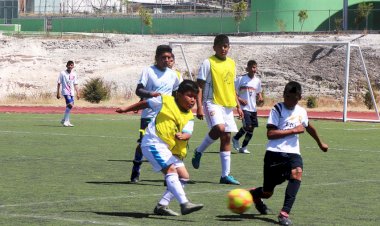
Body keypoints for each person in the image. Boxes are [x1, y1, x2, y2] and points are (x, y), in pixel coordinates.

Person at [116, 80, 204, 216]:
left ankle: (162, 205)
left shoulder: (188, 116)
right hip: (153, 142)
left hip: (168, 148)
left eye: (194, 97)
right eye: (189, 95)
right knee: (171, 170)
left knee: (184, 177)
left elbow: (188, 132)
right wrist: (126, 109)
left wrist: (184, 136)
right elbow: (146, 103)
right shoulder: (166, 101)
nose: (192, 100)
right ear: (179, 94)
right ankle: (184, 203)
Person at [249, 81, 328, 226]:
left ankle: (284, 213)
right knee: (268, 192)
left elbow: (309, 127)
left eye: (294, 98)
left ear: (299, 97)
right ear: (283, 95)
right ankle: (255, 194)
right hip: (274, 154)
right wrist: (293, 130)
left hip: (292, 154)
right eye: (287, 97)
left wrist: (320, 143)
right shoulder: (277, 109)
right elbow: (270, 133)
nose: (290, 101)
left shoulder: (301, 111)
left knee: (297, 172)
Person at [191, 34, 243, 185]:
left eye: (225, 46)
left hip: (227, 105)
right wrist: (199, 106)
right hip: (211, 102)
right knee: (220, 128)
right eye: (220, 46)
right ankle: (199, 151)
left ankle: (225, 175)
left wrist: (238, 106)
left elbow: (232, 87)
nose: (223, 49)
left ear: (229, 47)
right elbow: (199, 86)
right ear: (214, 47)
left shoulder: (232, 63)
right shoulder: (208, 62)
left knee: (226, 137)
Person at [130, 45, 180, 183]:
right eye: (163, 57)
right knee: (142, 144)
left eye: (169, 58)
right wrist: (150, 94)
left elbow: (177, 92)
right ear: (156, 58)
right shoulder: (148, 71)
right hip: (149, 115)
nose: (166, 60)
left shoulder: (173, 75)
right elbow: (139, 90)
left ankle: (169, 175)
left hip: (166, 116)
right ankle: (136, 169)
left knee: (168, 144)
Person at [232, 60, 263, 154]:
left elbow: (258, 92)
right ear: (248, 68)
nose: (254, 69)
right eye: (252, 67)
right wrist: (240, 100)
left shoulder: (257, 81)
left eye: (255, 67)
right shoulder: (241, 79)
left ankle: (244, 147)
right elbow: (232, 92)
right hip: (244, 108)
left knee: (251, 128)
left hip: (253, 108)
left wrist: (260, 97)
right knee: (248, 126)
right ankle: (235, 138)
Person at [56, 60, 80, 127]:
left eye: (71, 65)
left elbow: (75, 84)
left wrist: (78, 93)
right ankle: (65, 121)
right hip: (65, 91)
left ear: (73, 66)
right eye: (69, 65)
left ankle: (65, 120)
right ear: (66, 66)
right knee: (70, 105)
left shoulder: (74, 74)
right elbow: (58, 83)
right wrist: (57, 93)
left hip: (71, 92)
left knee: (69, 106)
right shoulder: (62, 73)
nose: (70, 66)